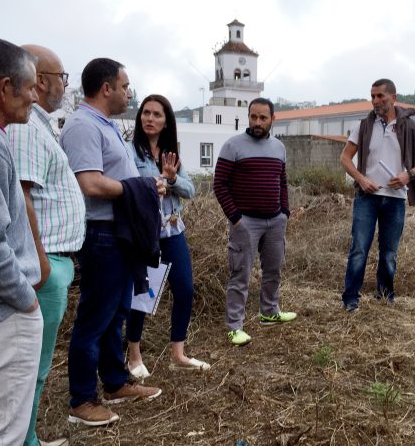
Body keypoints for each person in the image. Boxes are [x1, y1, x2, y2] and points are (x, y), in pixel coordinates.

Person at [60, 58, 164, 426]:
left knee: (116, 313)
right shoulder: (82, 126)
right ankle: (82, 400)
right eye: (125, 86)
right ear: (107, 88)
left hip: (118, 233)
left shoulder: (103, 124)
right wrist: (140, 188)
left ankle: (115, 382)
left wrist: (146, 187)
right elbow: (89, 183)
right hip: (102, 234)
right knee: (95, 317)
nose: (128, 93)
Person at [7, 45, 86, 446]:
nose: (64, 85)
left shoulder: (39, 124)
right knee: (31, 366)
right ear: (40, 80)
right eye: (62, 77)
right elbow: (22, 196)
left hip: (53, 260)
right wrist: (41, 263)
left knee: (35, 363)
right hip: (46, 263)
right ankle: (24, 441)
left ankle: (29, 436)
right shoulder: (23, 127)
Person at [125, 94, 210, 377]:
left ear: (166, 122)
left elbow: (190, 190)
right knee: (143, 294)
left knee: (185, 289)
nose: (150, 119)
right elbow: (126, 186)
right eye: (146, 113)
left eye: (157, 115)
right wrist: (155, 183)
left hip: (173, 230)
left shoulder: (170, 153)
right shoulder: (129, 152)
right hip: (145, 233)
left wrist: (171, 178)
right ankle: (134, 355)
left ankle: (178, 353)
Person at [0, 38, 43, 445]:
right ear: (5, 88)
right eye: (31, 87)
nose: (36, 97)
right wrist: (25, 298)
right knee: (4, 433)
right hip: (2, 316)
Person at [340, 78, 415, 312]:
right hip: (366, 198)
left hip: (395, 200)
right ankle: (351, 299)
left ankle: (384, 297)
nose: (375, 100)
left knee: (389, 253)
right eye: (372, 96)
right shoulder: (363, 126)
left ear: (393, 98)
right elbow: (345, 158)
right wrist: (361, 179)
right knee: (359, 249)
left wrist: (409, 175)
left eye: (380, 96)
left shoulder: (411, 127)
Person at [214, 97, 296, 346]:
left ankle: (269, 312)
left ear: (273, 119)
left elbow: (281, 181)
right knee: (240, 274)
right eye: (253, 117)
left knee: (274, 270)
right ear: (248, 117)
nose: (257, 122)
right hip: (245, 222)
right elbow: (219, 184)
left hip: (275, 221)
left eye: (263, 117)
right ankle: (234, 326)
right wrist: (236, 218)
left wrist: (284, 212)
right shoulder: (233, 145)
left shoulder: (279, 148)